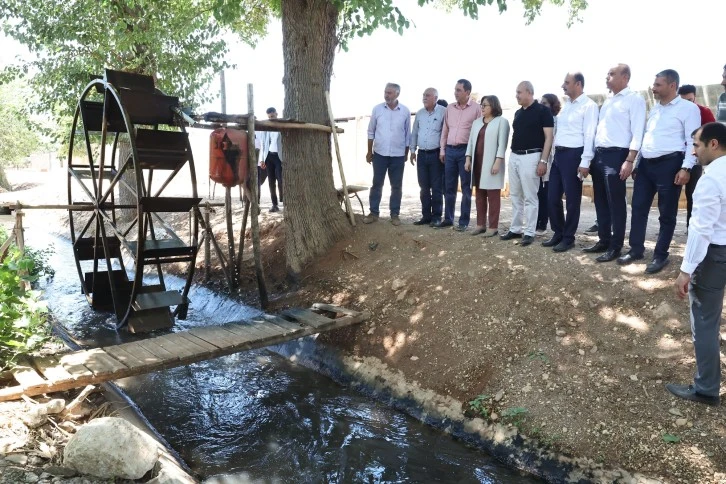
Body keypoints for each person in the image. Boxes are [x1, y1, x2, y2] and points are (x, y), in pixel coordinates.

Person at [617, 69, 701, 273]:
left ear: (672, 86)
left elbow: (693, 142)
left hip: (670, 165)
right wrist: (638, 163)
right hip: (646, 165)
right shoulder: (655, 109)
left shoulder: (688, 109)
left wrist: (685, 167)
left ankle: (660, 255)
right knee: (638, 207)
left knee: (667, 213)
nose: (653, 88)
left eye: (658, 85)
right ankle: (636, 249)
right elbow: (648, 137)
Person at [667, 122, 726, 407]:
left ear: (713, 144)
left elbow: (701, 229)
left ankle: (706, 389)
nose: (694, 151)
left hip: (716, 254)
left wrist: (686, 270)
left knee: (704, 322)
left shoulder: (712, 178)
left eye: (697, 145)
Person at [587, 64, 646, 263]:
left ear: (625, 78)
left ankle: (616, 246)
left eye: (612, 74)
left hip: (618, 155)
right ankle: (603, 240)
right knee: (601, 201)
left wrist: (630, 160)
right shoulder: (608, 101)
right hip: (600, 155)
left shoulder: (634, 99)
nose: (607, 77)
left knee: (616, 204)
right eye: (607, 73)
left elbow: (638, 132)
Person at [543, 72, 599, 253]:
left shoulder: (589, 106)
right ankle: (558, 232)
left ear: (578, 84)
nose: (563, 85)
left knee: (572, 200)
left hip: (575, 155)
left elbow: (590, 134)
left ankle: (568, 238)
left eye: (567, 82)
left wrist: (585, 161)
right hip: (559, 155)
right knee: (552, 197)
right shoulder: (566, 106)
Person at [500, 81, 554, 246]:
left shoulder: (543, 111)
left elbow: (549, 138)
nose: (516, 96)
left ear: (529, 92)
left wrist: (543, 161)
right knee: (515, 195)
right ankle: (515, 229)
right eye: (516, 93)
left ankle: (529, 232)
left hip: (532, 157)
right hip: (515, 156)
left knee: (531, 197)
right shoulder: (517, 113)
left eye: (519, 92)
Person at [436, 79, 482, 231]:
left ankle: (463, 222)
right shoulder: (450, 108)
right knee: (449, 186)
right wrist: (443, 150)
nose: (455, 93)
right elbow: (445, 130)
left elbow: (479, 132)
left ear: (467, 92)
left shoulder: (476, 109)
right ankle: (448, 219)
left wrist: (472, 154)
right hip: (450, 151)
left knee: (466, 187)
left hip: (465, 152)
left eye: (458, 90)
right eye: (455, 90)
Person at [363, 83, 411, 226]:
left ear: (397, 94)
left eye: (389, 93)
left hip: (397, 155)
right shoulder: (377, 109)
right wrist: (369, 151)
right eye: (385, 92)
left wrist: (406, 153)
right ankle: (373, 213)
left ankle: (394, 214)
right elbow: (371, 131)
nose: (386, 95)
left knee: (396, 186)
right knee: (377, 184)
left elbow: (407, 134)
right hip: (380, 154)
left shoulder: (405, 111)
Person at [464, 95, 510, 236]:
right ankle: (480, 225)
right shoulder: (477, 122)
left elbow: (502, 144)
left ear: (494, 106)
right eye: (481, 105)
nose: (482, 108)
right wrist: (468, 159)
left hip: (491, 163)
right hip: (478, 163)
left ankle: (493, 227)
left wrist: (497, 162)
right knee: (479, 195)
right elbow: (471, 142)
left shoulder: (502, 122)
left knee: (493, 196)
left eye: (485, 105)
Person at [678, 84, 717, 232]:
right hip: (675, 157)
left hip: (695, 158)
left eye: (690, 100)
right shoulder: (675, 110)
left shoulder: (704, 111)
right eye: (684, 100)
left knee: (693, 194)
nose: (687, 104)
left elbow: (713, 133)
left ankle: (691, 227)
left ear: (695, 97)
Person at [410, 88, 446, 226]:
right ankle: (426, 216)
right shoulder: (419, 113)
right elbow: (414, 133)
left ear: (435, 98)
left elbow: (445, 133)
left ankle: (436, 217)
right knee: (423, 187)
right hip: (422, 155)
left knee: (437, 187)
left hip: (436, 154)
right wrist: (412, 150)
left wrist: (443, 151)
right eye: (423, 95)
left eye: (427, 95)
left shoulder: (443, 111)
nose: (424, 97)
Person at [536, 94, 561, 235]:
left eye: (544, 103)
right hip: (540, 159)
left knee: (548, 194)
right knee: (539, 192)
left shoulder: (556, 121)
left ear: (552, 106)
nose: (541, 105)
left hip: (552, 161)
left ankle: (544, 225)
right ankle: (539, 222)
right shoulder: (540, 120)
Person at [260, 107, 283, 212]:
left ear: (276, 114)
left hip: (279, 157)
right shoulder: (267, 128)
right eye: (269, 117)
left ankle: (284, 202)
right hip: (269, 157)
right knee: (271, 182)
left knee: (281, 180)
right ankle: (275, 205)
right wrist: (262, 159)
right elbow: (263, 144)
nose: (271, 119)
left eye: (272, 116)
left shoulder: (282, 126)